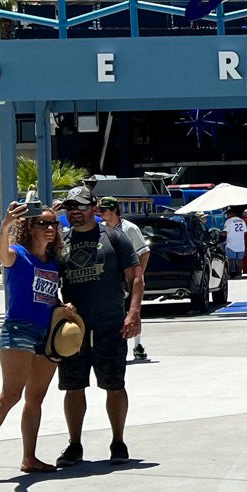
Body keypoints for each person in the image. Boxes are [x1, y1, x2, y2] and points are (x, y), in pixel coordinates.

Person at [0, 202, 65, 482]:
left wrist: (62, 306)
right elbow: (1, 253)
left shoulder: (52, 261)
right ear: (29, 227)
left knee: (36, 398)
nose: (49, 229)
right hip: (18, 331)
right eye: (43, 224)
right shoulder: (18, 255)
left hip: (46, 334)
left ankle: (29, 457)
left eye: (53, 224)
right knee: (11, 394)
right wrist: (6, 221)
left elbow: (47, 297)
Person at [52, 187, 144, 466]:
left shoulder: (114, 237)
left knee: (114, 385)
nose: (75, 212)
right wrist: (59, 309)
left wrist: (134, 313)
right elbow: (49, 280)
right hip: (74, 331)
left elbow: (135, 278)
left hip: (110, 326)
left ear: (94, 207)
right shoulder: (61, 242)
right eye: (70, 207)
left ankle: (118, 442)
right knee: (73, 387)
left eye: (80, 206)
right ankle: (74, 445)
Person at [98, 198, 155, 360]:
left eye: (104, 210)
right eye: (99, 210)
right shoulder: (100, 229)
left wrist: (138, 276)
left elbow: (144, 252)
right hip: (109, 278)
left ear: (114, 210)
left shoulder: (129, 228)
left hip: (127, 277)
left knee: (133, 310)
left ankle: (137, 345)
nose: (100, 213)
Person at [224, 210, 247, 277]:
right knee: (240, 260)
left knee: (230, 260)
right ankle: (239, 274)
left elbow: (225, 232)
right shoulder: (242, 221)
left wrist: (220, 233)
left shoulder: (229, 221)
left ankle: (229, 274)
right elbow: (245, 232)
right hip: (241, 244)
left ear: (230, 214)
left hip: (231, 244)